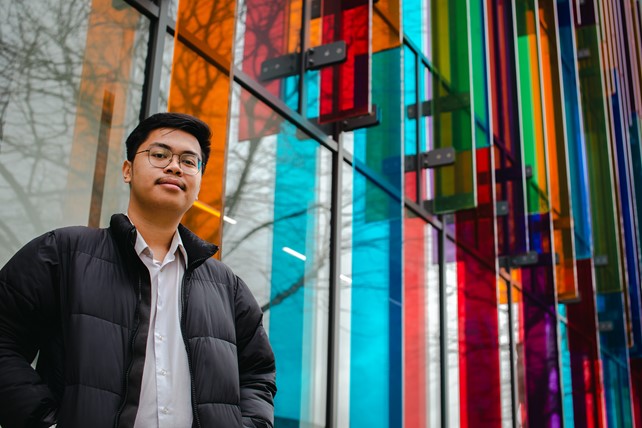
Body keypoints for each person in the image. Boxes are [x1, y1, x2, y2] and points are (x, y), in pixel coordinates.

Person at [0, 113, 276, 427]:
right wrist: (43, 421)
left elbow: (258, 373)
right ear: (127, 170)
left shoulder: (228, 288)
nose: (174, 166)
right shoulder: (63, 254)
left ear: (199, 184)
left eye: (189, 161)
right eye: (159, 155)